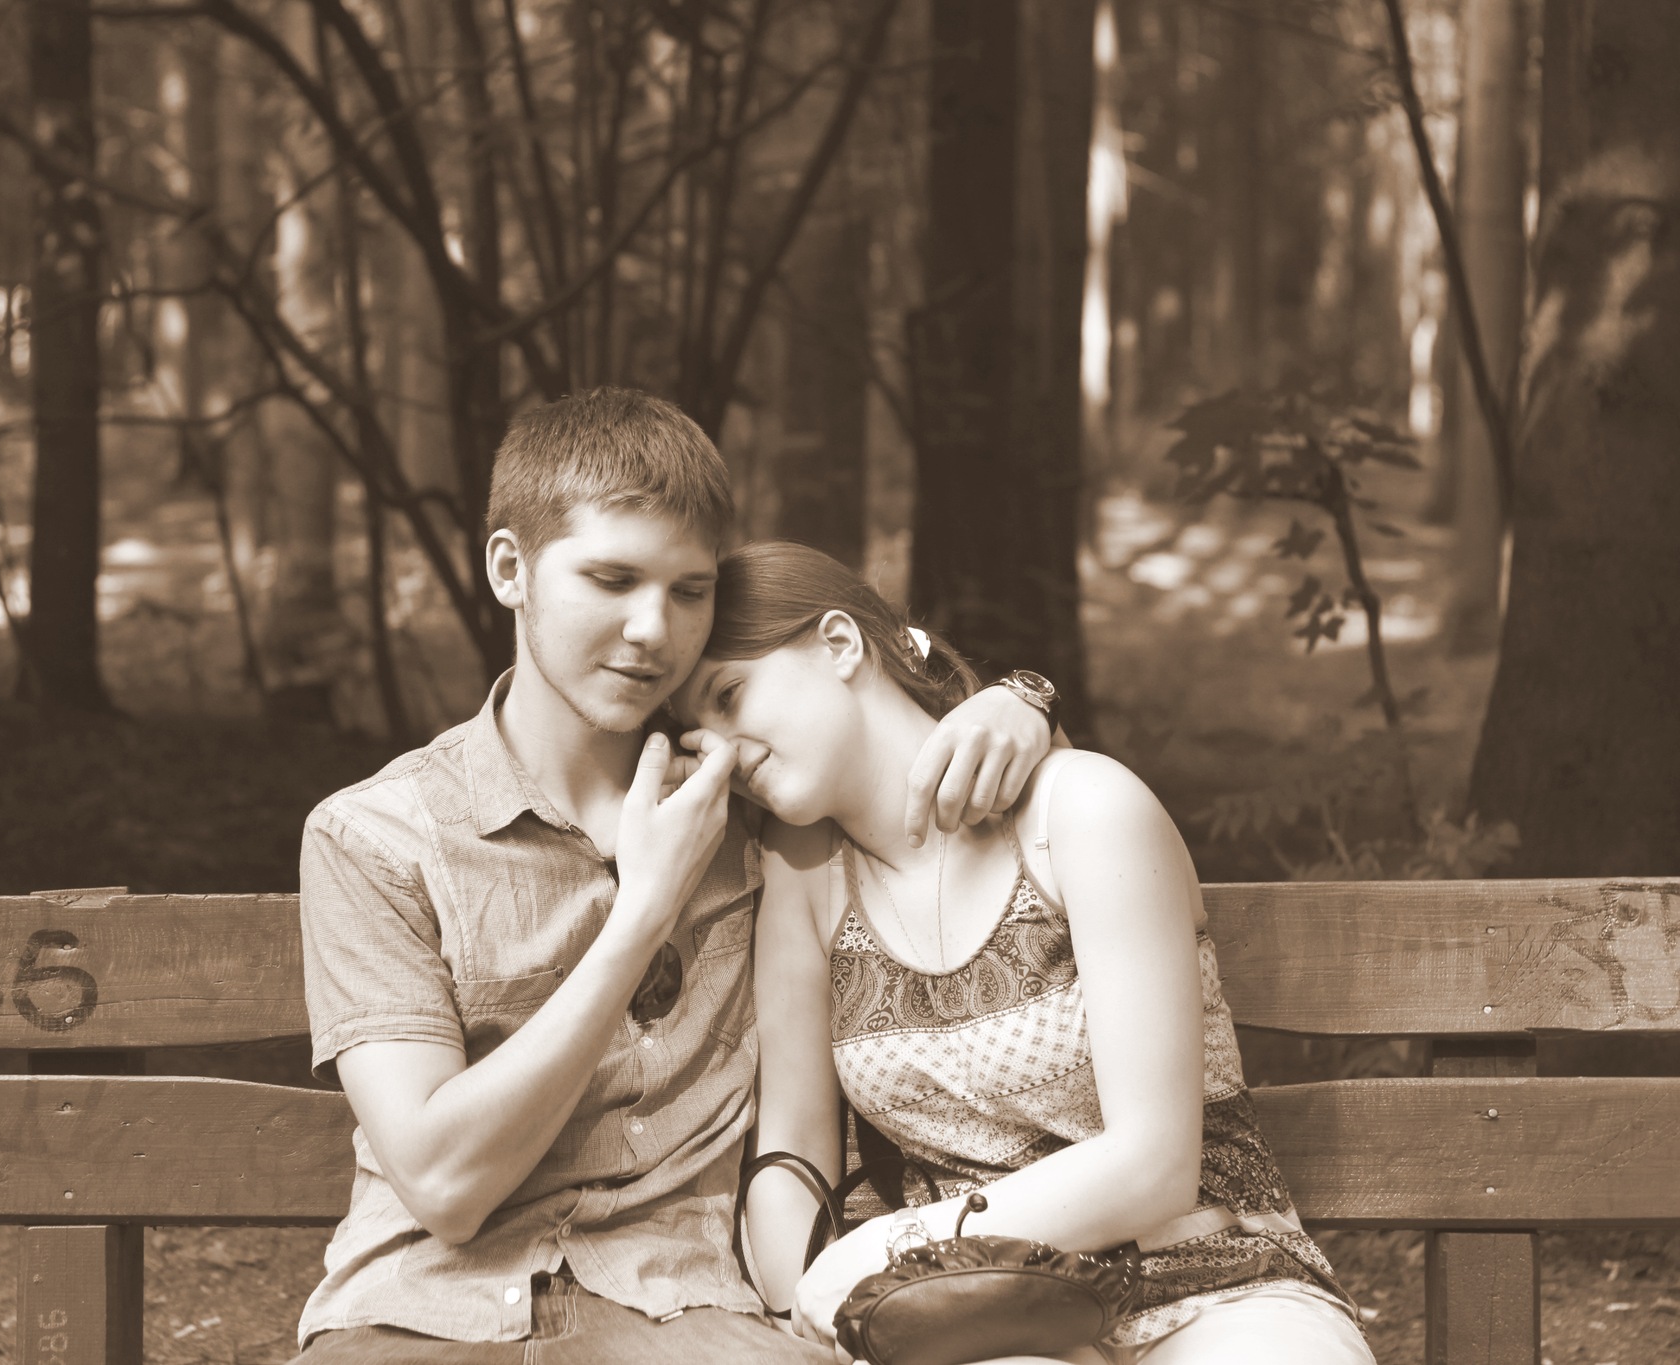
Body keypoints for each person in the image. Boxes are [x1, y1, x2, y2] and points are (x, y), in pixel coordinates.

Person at [290, 389, 1057, 1362]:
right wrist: (644, 911)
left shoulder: (765, 807)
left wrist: (1022, 704)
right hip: (420, 1317)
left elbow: (943, 801)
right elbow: (445, 1186)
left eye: (689, 591)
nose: (653, 628)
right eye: (611, 579)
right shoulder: (374, 838)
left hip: (686, 1318)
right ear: (509, 569)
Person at [677, 540, 1376, 1365]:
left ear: (839, 644)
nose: (720, 750)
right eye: (696, 734)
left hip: (1214, 1283)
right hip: (981, 1313)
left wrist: (895, 1247)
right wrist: (804, 1300)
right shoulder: (802, 875)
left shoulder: (1081, 809)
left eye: (730, 695)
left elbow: (1155, 1162)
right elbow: (793, 1149)